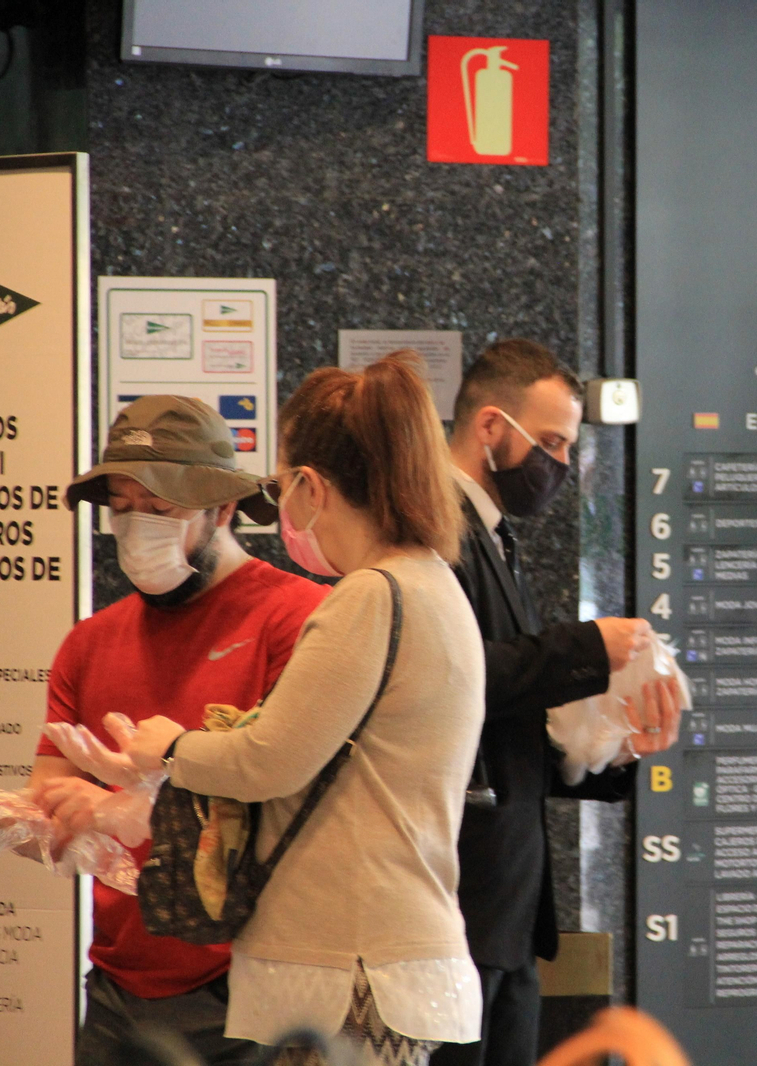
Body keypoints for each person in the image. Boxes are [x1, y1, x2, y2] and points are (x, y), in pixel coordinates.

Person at [123, 353, 486, 1066]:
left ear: (313, 487)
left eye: (284, 484)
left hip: (349, 969)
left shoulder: (371, 595)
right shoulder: (432, 583)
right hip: (388, 957)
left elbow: (269, 760)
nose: (281, 507)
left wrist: (169, 747)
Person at [27, 396, 329, 1065]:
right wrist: (42, 821)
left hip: (250, 983)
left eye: (160, 507)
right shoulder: (89, 644)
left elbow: (298, 808)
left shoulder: (301, 621)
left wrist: (137, 807)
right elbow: (45, 800)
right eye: (124, 504)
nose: (138, 525)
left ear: (222, 508)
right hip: (115, 987)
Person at [437, 339, 681, 1066]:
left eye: (569, 446)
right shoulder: (437, 531)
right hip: (460, 899)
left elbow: (512, 718)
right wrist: (585, 651)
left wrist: (610, 747)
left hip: (506, 912)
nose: (561, 466)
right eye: (550, 443)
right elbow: (448, 683)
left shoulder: (495, 537)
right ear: (490, 428)